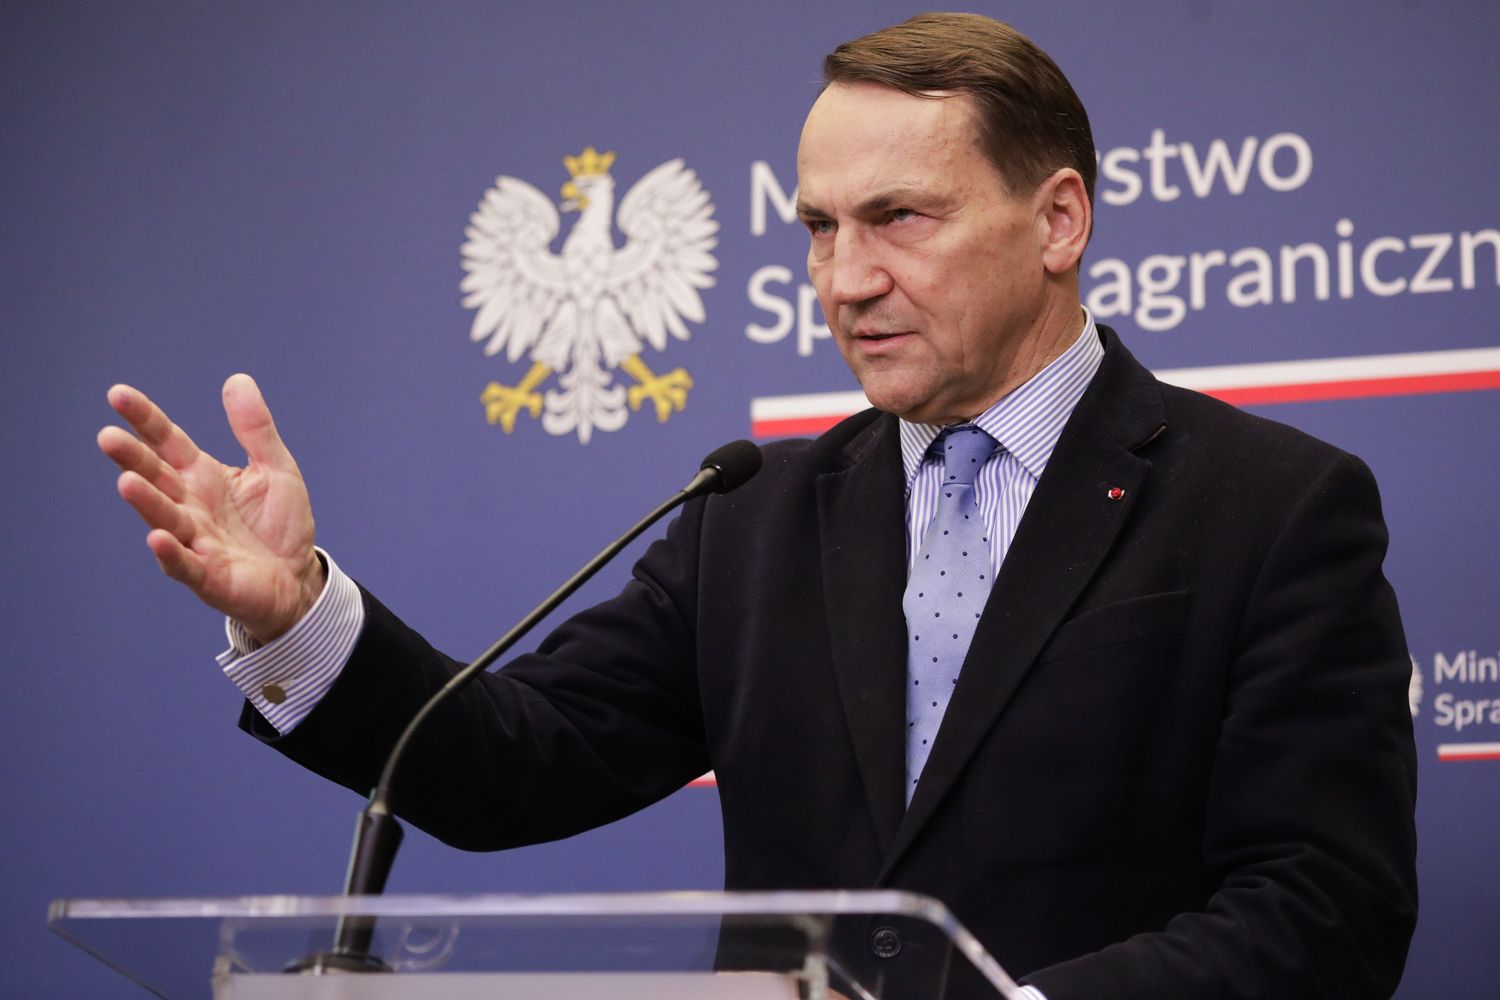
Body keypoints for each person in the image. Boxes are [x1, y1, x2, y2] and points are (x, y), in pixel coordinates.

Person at [98, 13, 1417, 999]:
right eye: (820, 228)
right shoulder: (758, 512)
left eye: (898, 218)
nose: (844, 279)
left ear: (1058, 220)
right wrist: (296, 614)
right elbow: (511, 765)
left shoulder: (1274, 507)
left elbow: (1325, 907)